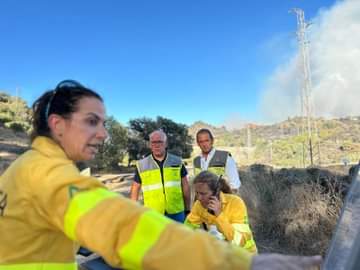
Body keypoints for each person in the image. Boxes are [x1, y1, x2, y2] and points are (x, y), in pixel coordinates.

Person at [0, 79, 322, 270]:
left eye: (104, 124)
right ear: (58, 124)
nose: (103, 134)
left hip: (179, 213)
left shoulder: (23, 169)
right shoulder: (49, 175)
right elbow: (123, 227)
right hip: (155, 217)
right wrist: (242, 263)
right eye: (91, 121)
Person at [185, 171, 257, 253]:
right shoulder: (199, 205)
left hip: (245, 255)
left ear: (216, 193)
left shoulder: (235, 203)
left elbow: (239, 241)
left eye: (203, 193)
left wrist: (219, 214)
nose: (199, 198)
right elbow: (188, 227)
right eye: (197, 193)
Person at [130, 130, 191, 223]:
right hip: (153, 214)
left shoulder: (177, 161)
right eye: (153, 142)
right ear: (150, 145)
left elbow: (185, 187)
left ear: (165, 144)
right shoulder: (142, 165)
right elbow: (135, 189)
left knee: (178, 237)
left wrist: (187, 209)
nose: (156, 145)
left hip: (177, 212)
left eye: (160, 142)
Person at [194, 128, 241, 193]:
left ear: (212, 141)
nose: (204, 144)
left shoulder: (225, 157)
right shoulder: (196, 161)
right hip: (202, 200)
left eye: (207, 140)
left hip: (222, 199)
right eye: (201, 142)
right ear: (198, 143)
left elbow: (235, 186)